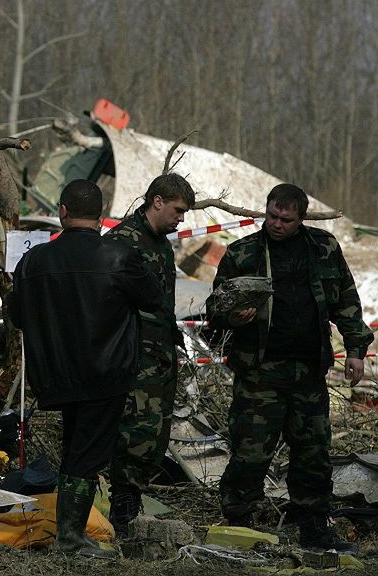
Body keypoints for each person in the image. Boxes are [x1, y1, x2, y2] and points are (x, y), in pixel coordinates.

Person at [208, 183, 374, 553]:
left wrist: (356, 349)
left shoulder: (323, 249)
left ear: (301, 218)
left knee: (312, 453)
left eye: (285, 219)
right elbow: (214, 310)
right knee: (250, 453)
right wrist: (234, 315)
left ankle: (314, 525)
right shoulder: (244, 253)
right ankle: (239, 523)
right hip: (259, 372)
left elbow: (346, 301)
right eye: (271, 216)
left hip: (308, 372)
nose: (277, 224)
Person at [9, 180, 162, 558]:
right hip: (105, 371)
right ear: (101, 212)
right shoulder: (119, 256)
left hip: (55, 375)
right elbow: (155, 300)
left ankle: (71, 530)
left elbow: (15, 314)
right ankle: (72, 537)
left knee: (76, 449)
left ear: (62, 211)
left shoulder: (33, 261)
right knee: (87, 455)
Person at [104, 172, 195, 533]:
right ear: (157, 201)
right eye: (178, 210)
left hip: (158, 355)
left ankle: (132, 500)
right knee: (134, 432)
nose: (181, 218)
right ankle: (123, 507)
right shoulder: (122, 242)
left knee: (154, 433)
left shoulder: (160, 243)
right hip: (133, 355)